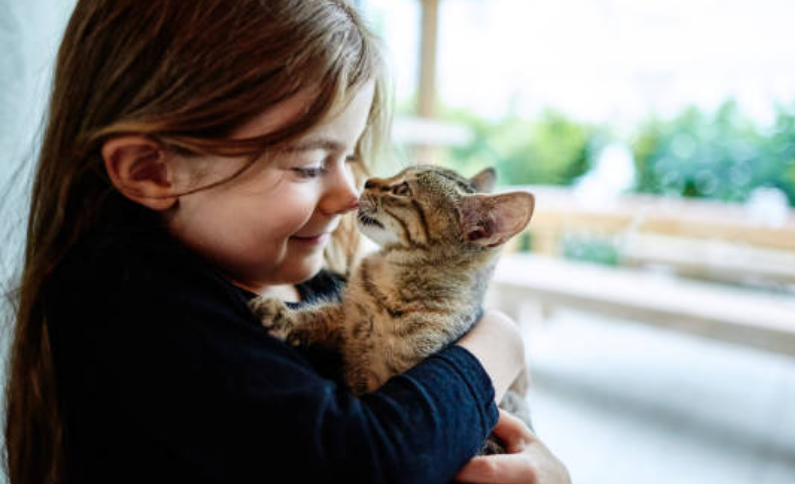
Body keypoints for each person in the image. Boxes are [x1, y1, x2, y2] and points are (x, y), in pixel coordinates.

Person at [2, 1, 571, 483]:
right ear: (152, 170)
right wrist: (499, 343)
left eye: (347, 156)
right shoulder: (129, 303)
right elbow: (366, 460)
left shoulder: (312, 285)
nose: (351, 194)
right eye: (309, 165)